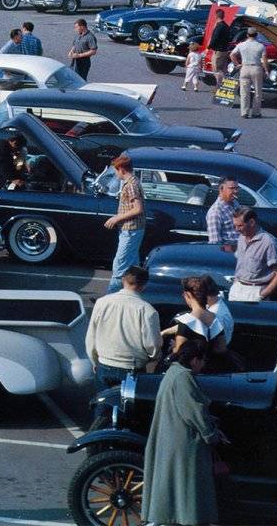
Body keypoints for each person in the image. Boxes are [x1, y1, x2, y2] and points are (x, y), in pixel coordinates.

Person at [142, 339, 221, 526]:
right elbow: (195, 412)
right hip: (183, 443)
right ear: (194, 360)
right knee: (187, 490)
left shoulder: (173, 373)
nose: (203, 365)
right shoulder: (184, 378)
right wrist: (212, 435)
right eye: (203, 361)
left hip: (170, 439)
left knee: (173, 489)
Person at [85, 266, 162, 394]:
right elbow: (152, 344)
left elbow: (91, 336)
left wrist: (94, 361)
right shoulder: (147, 310)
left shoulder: (102, 303)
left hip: (104, 363)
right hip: (131, 369)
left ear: (123, 280)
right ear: (143, 286)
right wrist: (154, 357)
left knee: (103, 402)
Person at [161, 277, 229, 371]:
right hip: (209, 370)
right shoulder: (214, 318)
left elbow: (179, 352)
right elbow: (221, 349)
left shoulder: (186, 322)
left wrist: (174, 347)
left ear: (188, 295)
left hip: (190, 371)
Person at [104, 154, 145, 294]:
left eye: (115, 171)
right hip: (133, 229)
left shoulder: (131, 185)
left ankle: (109, 297)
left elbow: (137, 209)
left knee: (119, 266)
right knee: (133, 267)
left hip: (130, 230)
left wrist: (116, 218)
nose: (115, 174)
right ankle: (135, 295)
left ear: (121, 169)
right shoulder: (134, 181)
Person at [230, 207, 277, 302]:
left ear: (252, 222)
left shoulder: (269, 242)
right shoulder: (241, 238)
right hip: (237, 289)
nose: (236, 229)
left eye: (240, 226)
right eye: (235, 226)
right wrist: (235, 283)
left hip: (254, 292)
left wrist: (261, 294)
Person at [230, 27, 269, 119]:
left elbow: (232, 54)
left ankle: (244, 112)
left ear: (247, 35)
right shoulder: (261, 46)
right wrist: (266, 70)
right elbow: (264, 60)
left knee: (244, 92)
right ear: (256, 35)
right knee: (257, 92)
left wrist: (237, 64)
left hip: (244, 67)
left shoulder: (241, 45)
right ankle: (256, 112)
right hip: (256, 68)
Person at [205, 176, 240, 244]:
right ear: (221, 189)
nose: (236, 191)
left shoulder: (235, 202)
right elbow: (215, 243)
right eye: (232, 188)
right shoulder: (215, 212)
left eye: (237, 188)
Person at [207, 9, 231, 87]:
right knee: (223, 69)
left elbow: (215, 37)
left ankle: (220, 86)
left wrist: (209, 46)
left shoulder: (219, 26)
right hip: (224, 50)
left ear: (216, 16)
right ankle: (223, 85)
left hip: (218, 51)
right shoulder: (226, 26)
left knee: (216, 69)